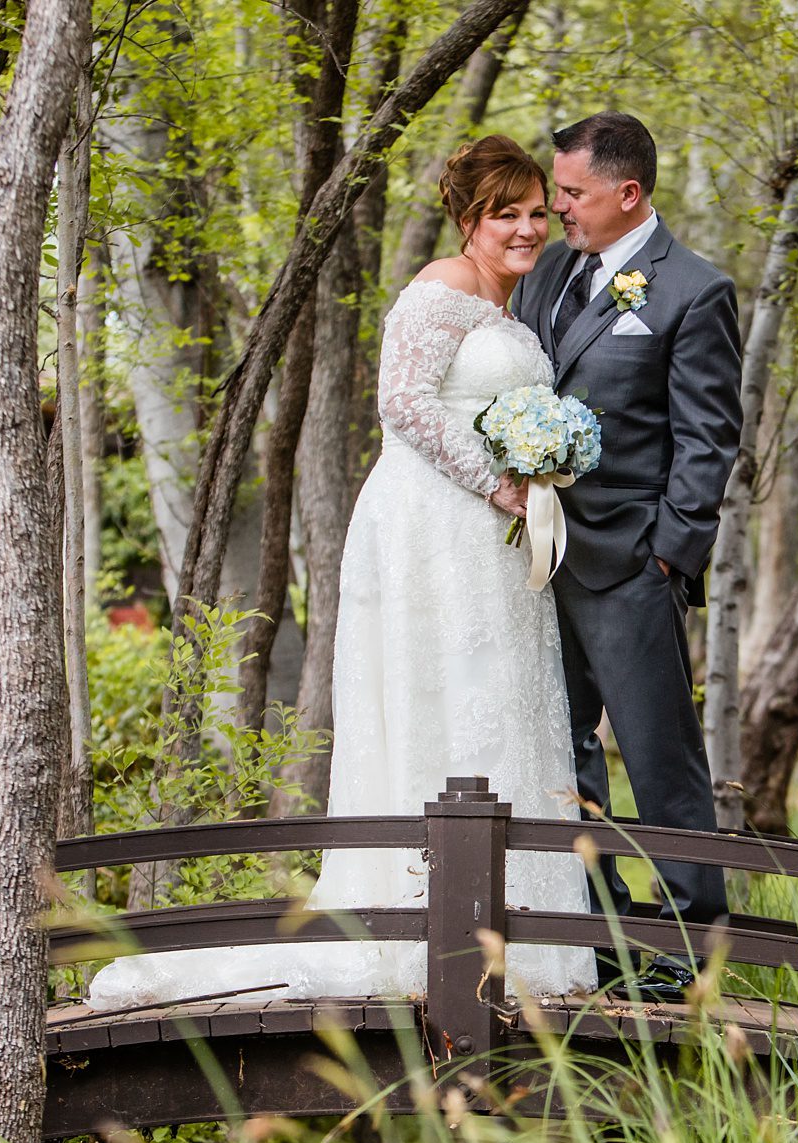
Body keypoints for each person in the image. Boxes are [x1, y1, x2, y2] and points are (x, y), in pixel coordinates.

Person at [89, 136, 595, 1010]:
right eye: (504, 213)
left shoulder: (513, 313)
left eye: (535, 210)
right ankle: (421, 927)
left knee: (500, 698)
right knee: (438, 698)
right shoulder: (440, 289)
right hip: (432, 526)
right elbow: (401, 403)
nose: (525, 227)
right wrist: (498, 480)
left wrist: (537, 469)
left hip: (490, 539)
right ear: (468, 220)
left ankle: (527, 939)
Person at [511, 111, 744, 1000]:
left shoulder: (693, 291)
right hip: (542, 561)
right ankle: (600, 932)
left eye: (570, 193)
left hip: (632, 567)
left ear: (627, 193)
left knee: (659, 756)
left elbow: (708, 438)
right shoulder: (553, 276)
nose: (556, 208)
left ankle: (692, 950)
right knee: (558, 751)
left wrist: (668, 558)